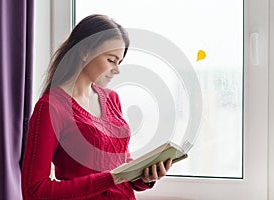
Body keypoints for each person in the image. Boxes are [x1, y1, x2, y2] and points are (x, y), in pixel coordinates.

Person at [21, 14, 172, 200]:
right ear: (84, 51)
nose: (117, 70)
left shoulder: (112, 99)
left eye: (119, 62)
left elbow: (120, 163)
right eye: (111, 60)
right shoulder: (51, 108)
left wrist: (144, 176)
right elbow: (34, 190)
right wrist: (110, 179)